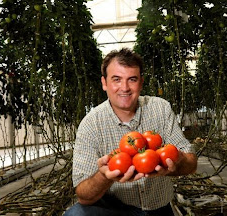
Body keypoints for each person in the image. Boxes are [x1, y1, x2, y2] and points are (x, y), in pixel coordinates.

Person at [64, 48, 197, 216]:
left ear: (141, 82)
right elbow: (83, 196)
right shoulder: (91, 124)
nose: (124, 88)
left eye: (132, 79)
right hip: (114, 210)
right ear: (104, 83)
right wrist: (104, 176)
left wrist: (174, 163)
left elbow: (191, 162)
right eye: (116, 79)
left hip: (159, 208)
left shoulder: (160, 109)